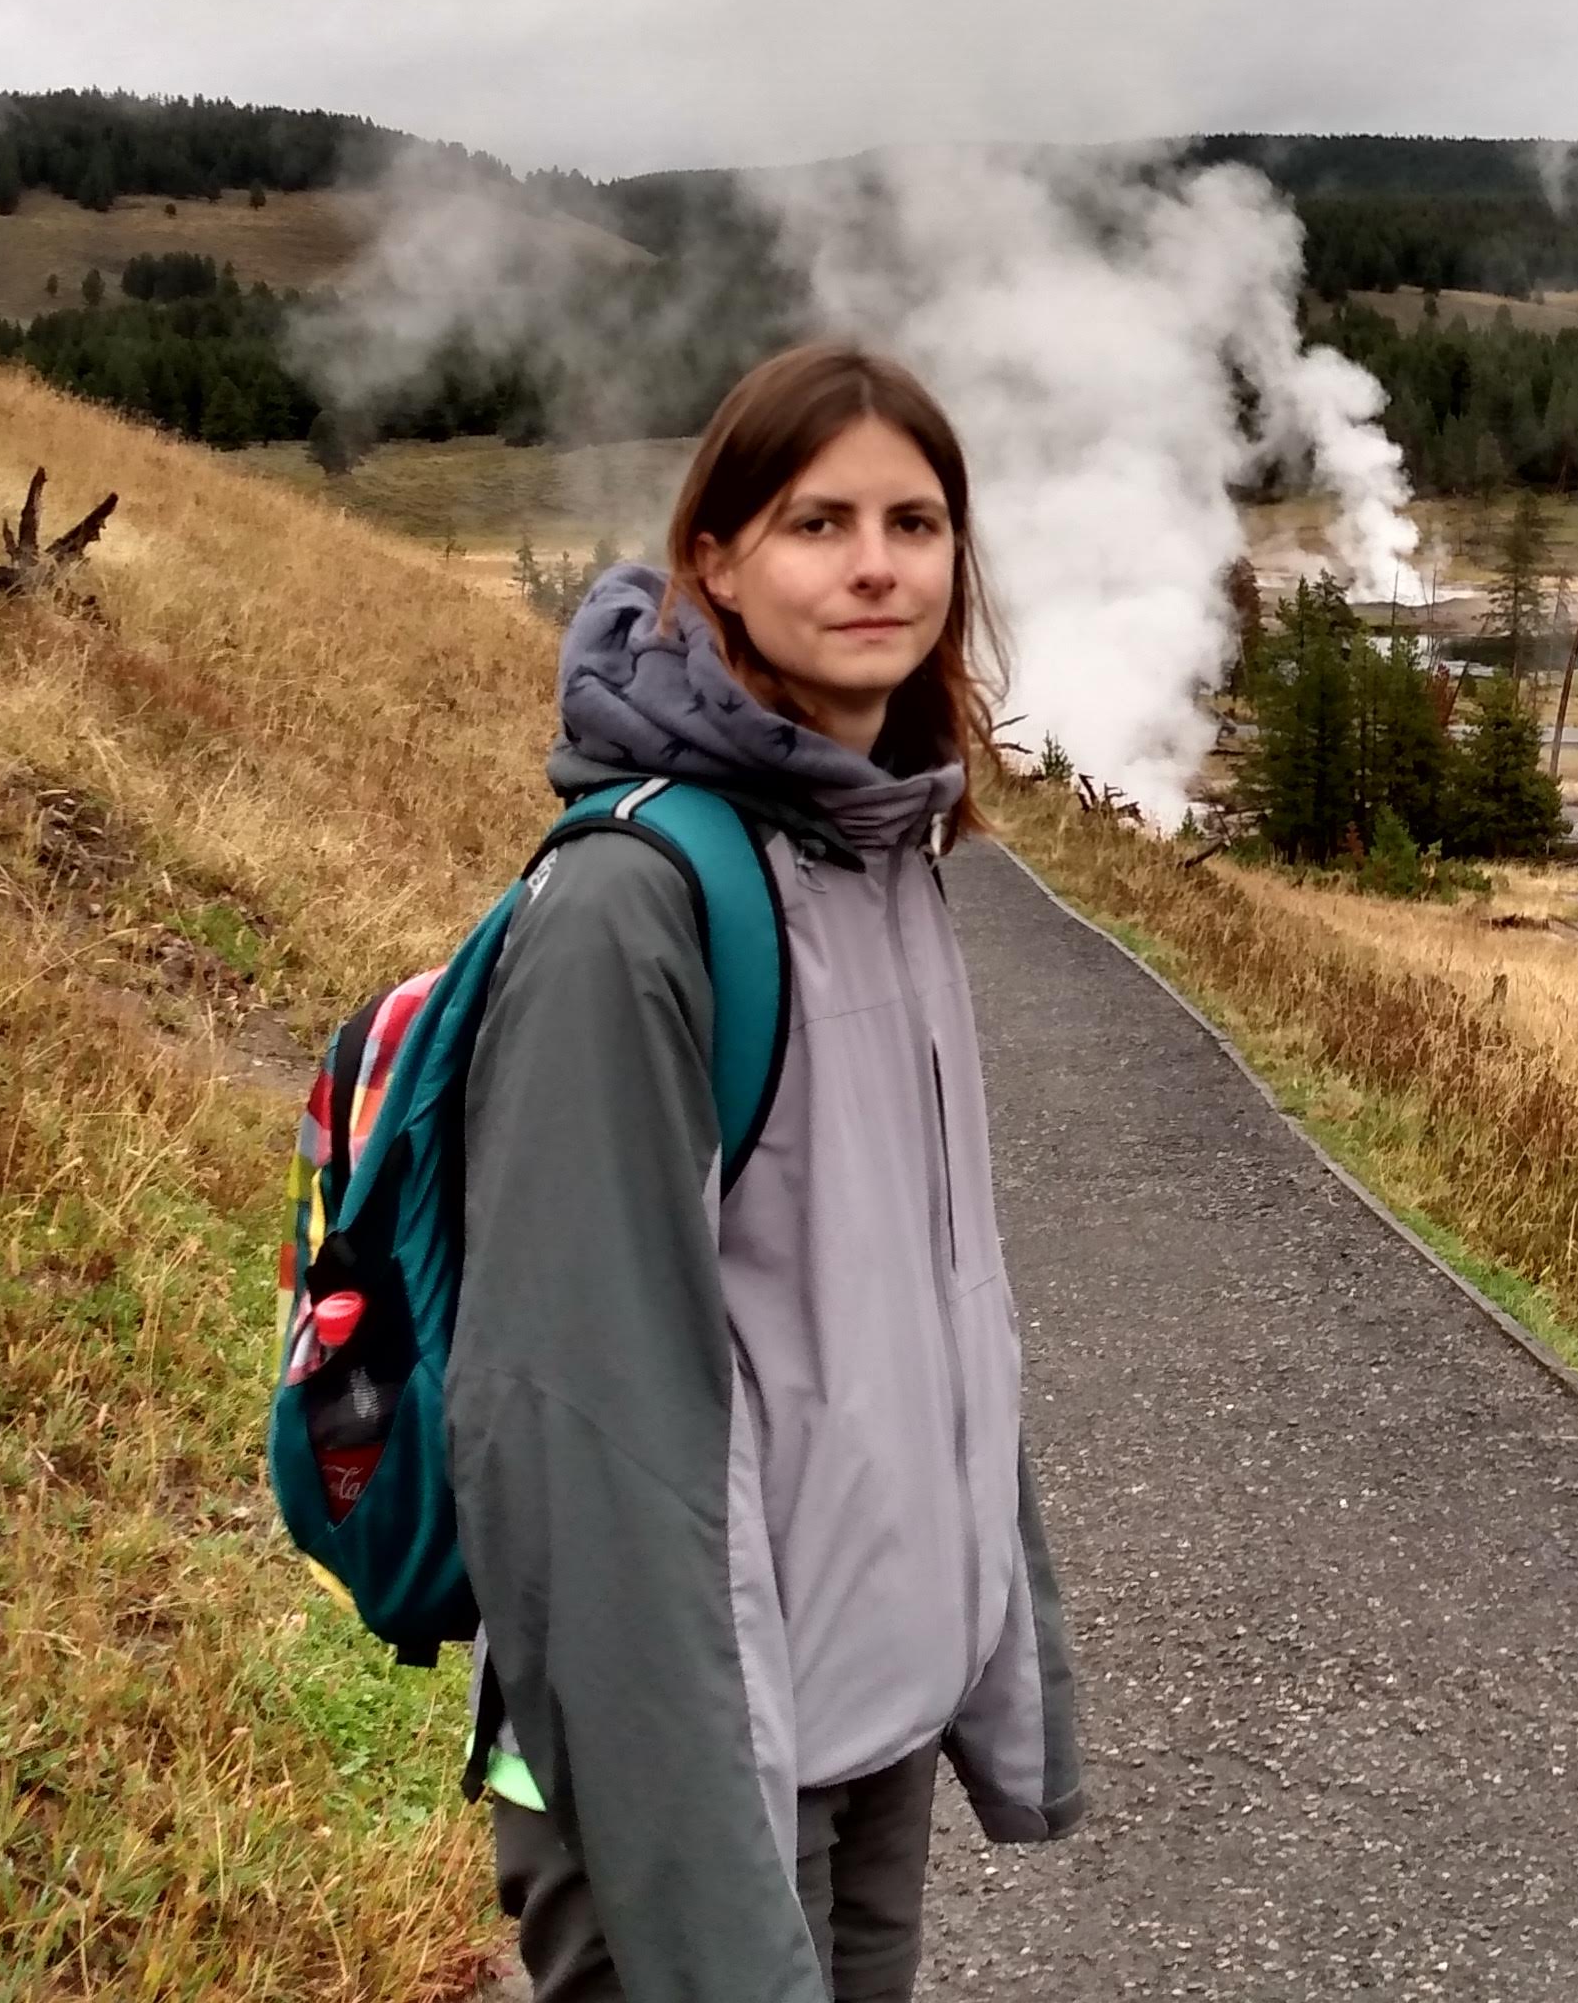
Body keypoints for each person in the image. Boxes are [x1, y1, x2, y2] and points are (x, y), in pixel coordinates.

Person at [453, 342, 1085, 2003]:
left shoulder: (885, 855)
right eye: (818, 522)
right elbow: (576, 1429)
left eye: (914, 523)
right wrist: (697, 1851)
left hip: (862, 1712)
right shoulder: (634, 908)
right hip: (691, 1751)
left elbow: (931, 1313)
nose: (877, 566)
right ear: (715, 561)